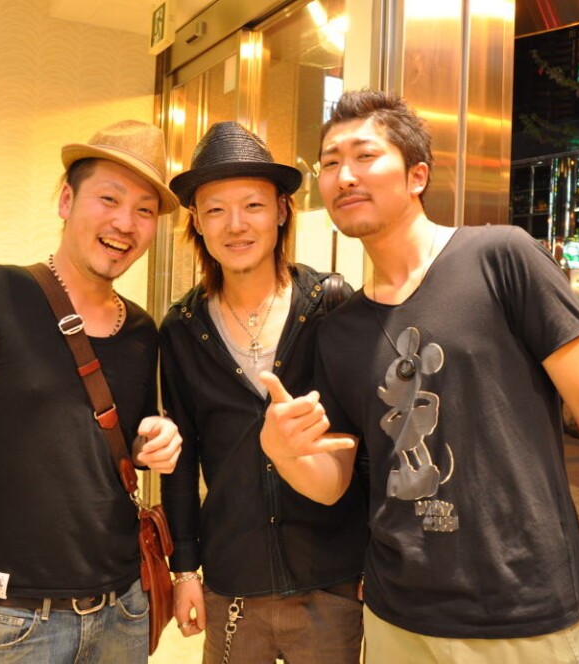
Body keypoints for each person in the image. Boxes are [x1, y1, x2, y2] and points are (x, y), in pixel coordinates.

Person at [259, 90, 579, 663]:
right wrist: (283, 452)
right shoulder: (339, 328)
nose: (344, 176)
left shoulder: (502, 257)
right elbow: (336, 480)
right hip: (396, 616)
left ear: (417, 175)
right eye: (330, 163)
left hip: (525, 610)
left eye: (364, 155)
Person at [0, 120, 184, 663]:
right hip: (15, 619)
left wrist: (155, 440)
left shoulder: (142, 329)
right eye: (109, 198)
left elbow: (129, 440)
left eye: (145, 210)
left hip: (125, 609)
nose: (125, 223)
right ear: (67, 200)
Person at [160, 121, 368, 663]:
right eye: (215, 210)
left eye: (252, 205)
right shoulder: (182, 328)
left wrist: (377, 558)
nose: (236, 225)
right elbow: (182, 459)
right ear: (196, 222)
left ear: (280, 210)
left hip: (330, 581)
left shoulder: (330, 305)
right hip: (233, 580)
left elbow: (367, 442)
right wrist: (185, 570)